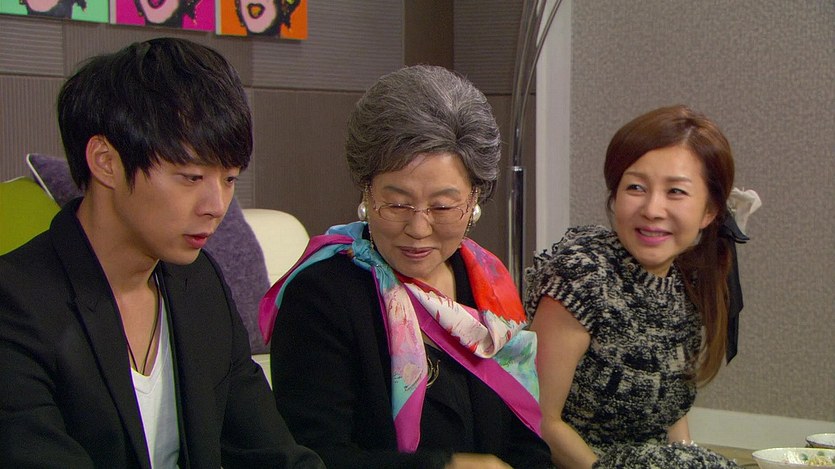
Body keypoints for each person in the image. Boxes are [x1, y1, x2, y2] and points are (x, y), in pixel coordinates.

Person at [0, 38, 325, 468]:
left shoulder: (199, 282)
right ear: (105, 161)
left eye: (229, 179)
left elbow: (272, 451)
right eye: (191, 177)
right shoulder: (15, 302)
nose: (216, 206)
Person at [259, 65, 553, 469]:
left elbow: (526, 438)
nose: (418, 228)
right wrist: (445, 467)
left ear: (474, 199)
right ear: (366, 191)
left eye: (443, 207)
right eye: (397, 204)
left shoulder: (488, 282)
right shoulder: (320, 296)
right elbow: (314, 457)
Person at [525, 105, 743, 468]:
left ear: (710, 211)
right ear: (615, 196)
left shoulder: (687, 281)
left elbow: (671, 413)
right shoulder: (581, 276)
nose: (652, 209)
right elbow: (541, 421)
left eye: (676, 191)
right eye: (636, 188)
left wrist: (688, 459)